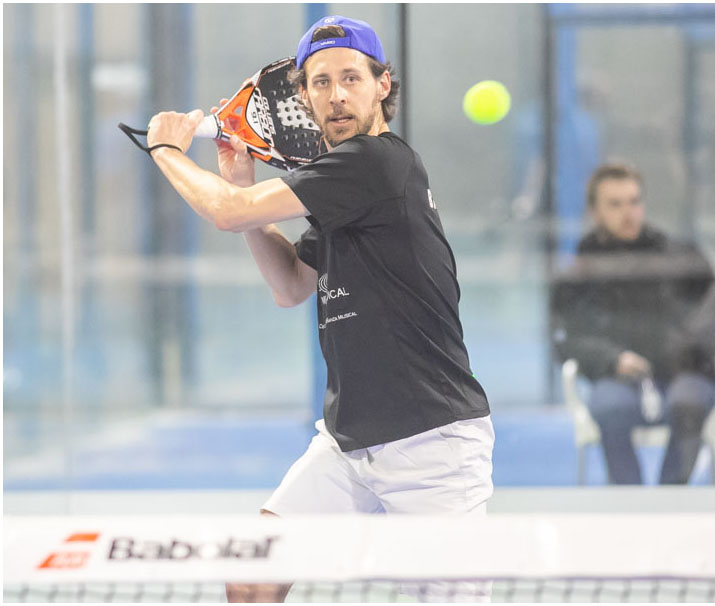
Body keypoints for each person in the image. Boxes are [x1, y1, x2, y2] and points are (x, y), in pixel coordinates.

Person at [144, 16, 494, 601]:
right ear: (304, 96)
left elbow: (227, 211)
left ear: (382, 85)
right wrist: (241, 184)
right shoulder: (343, 193)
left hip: (431, 445)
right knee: (252, 579)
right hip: (348, 442)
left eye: (351, 78)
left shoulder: (374, 162)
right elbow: (290, 285)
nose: (337, 95)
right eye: (321, 82)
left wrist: (165, 150)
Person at [552, 164, 715, 485]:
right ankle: (630, 502)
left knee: (690, 402)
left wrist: (687, 348)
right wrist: (612, 359)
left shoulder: (677, 255)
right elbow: (566, 338)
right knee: (610, 407)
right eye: (615, 204)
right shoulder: (580, 272)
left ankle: (670, 498)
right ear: (594, 212)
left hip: (684, 371)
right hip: (618, 377)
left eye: (634, 201)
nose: (628, 212)